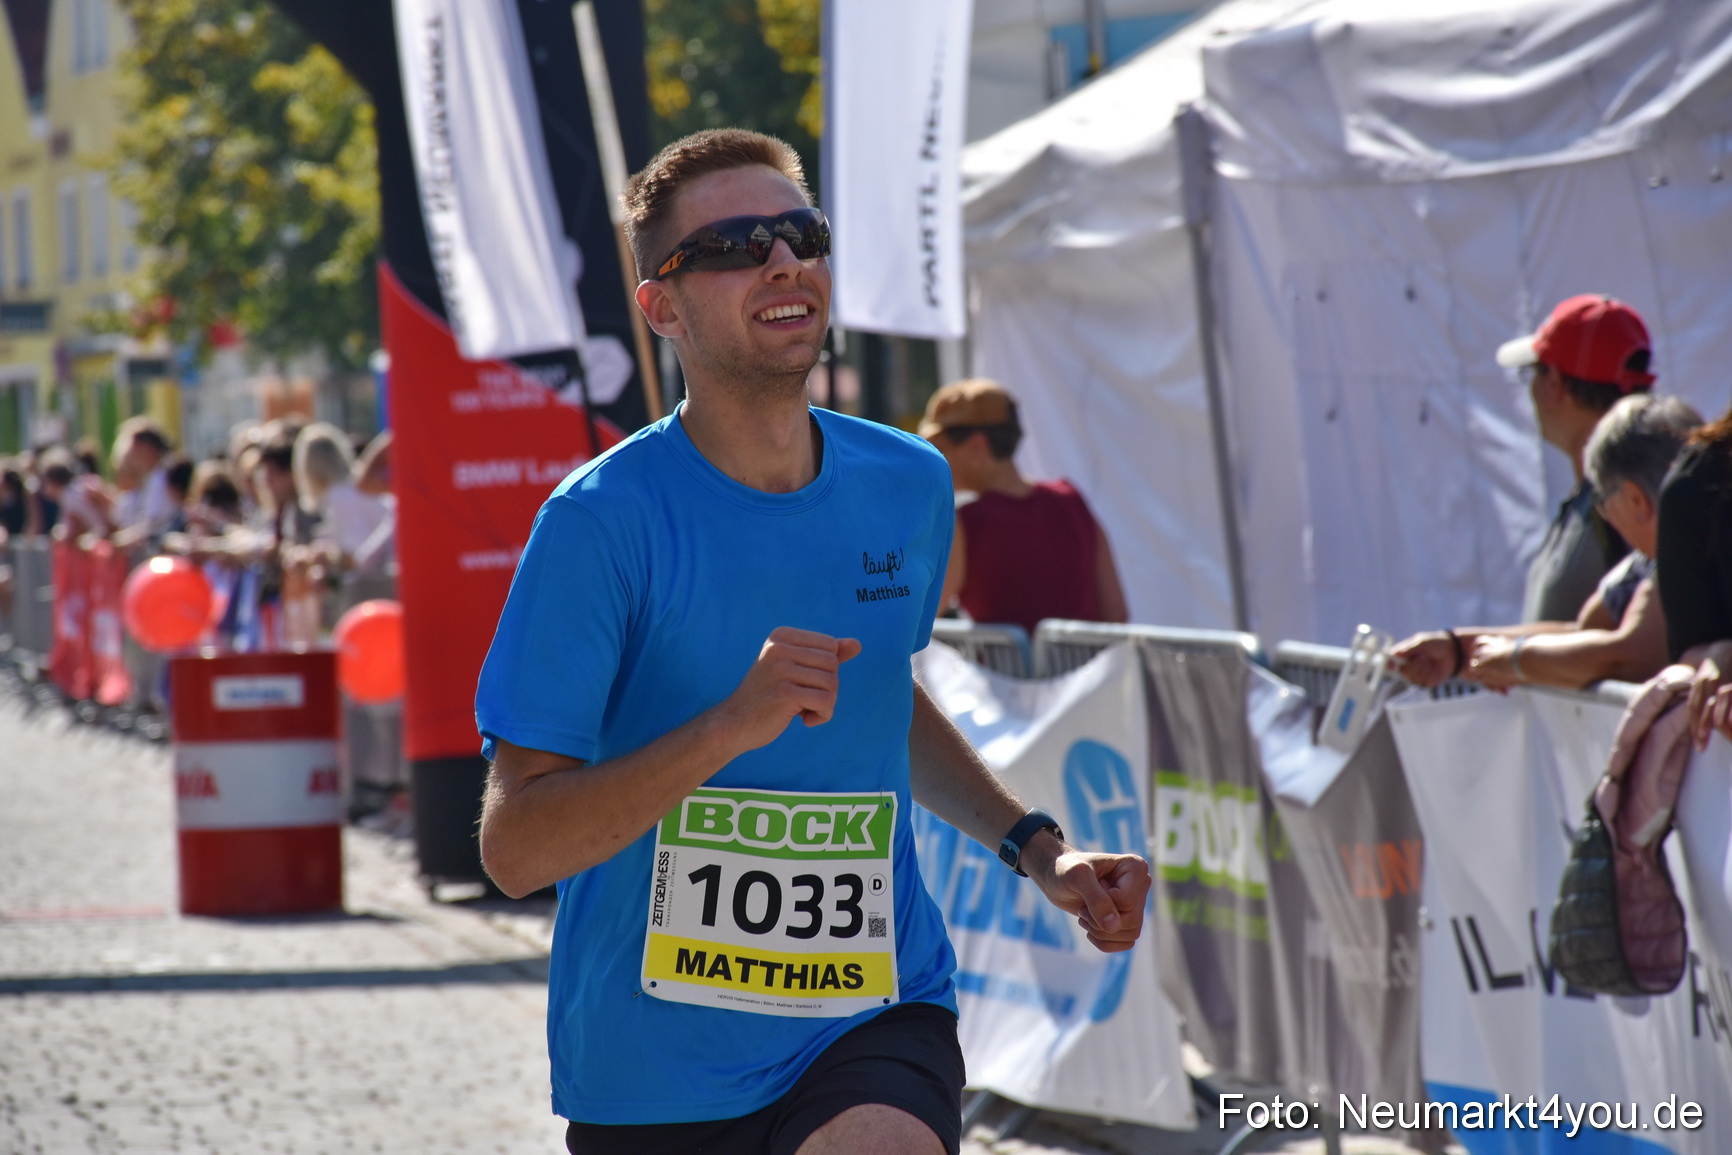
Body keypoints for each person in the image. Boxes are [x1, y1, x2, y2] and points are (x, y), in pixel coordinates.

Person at [474, 128, 1150, 1155]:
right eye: (735, 246)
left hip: (870, 1008)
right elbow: (516, 848)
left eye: (802, 233)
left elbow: (880, 698)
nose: (784, 260)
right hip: (655, 1067)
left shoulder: (909, 483)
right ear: (661, 307)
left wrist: (1042, 852)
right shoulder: (598, 523)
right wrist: (728, 728)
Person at [1394, 294, 1657, 684]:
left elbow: (1622, 650)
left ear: (1554, 385)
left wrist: (1502, 658)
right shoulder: (1600, 499)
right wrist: (1461, 650)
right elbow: (1583, 632)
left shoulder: (1625, 503)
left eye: (1533, 373)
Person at [1464, 394, 1700, 690]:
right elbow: (1584, 632)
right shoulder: (1652, 560)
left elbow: (1626, 657)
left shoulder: (1692, 553)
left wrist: (1513, 659)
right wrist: (1462, 648)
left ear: (1636, 500)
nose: (1605, 514)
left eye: (1603, 499)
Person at [918, 378, 1128, 636]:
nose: (935, 462)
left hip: (1003, 665)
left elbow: (921, 614)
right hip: (1089, 663)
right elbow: (1116, 611)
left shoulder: (966, 523)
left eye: (940, 449)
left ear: (977, 446)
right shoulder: (1072, 500)